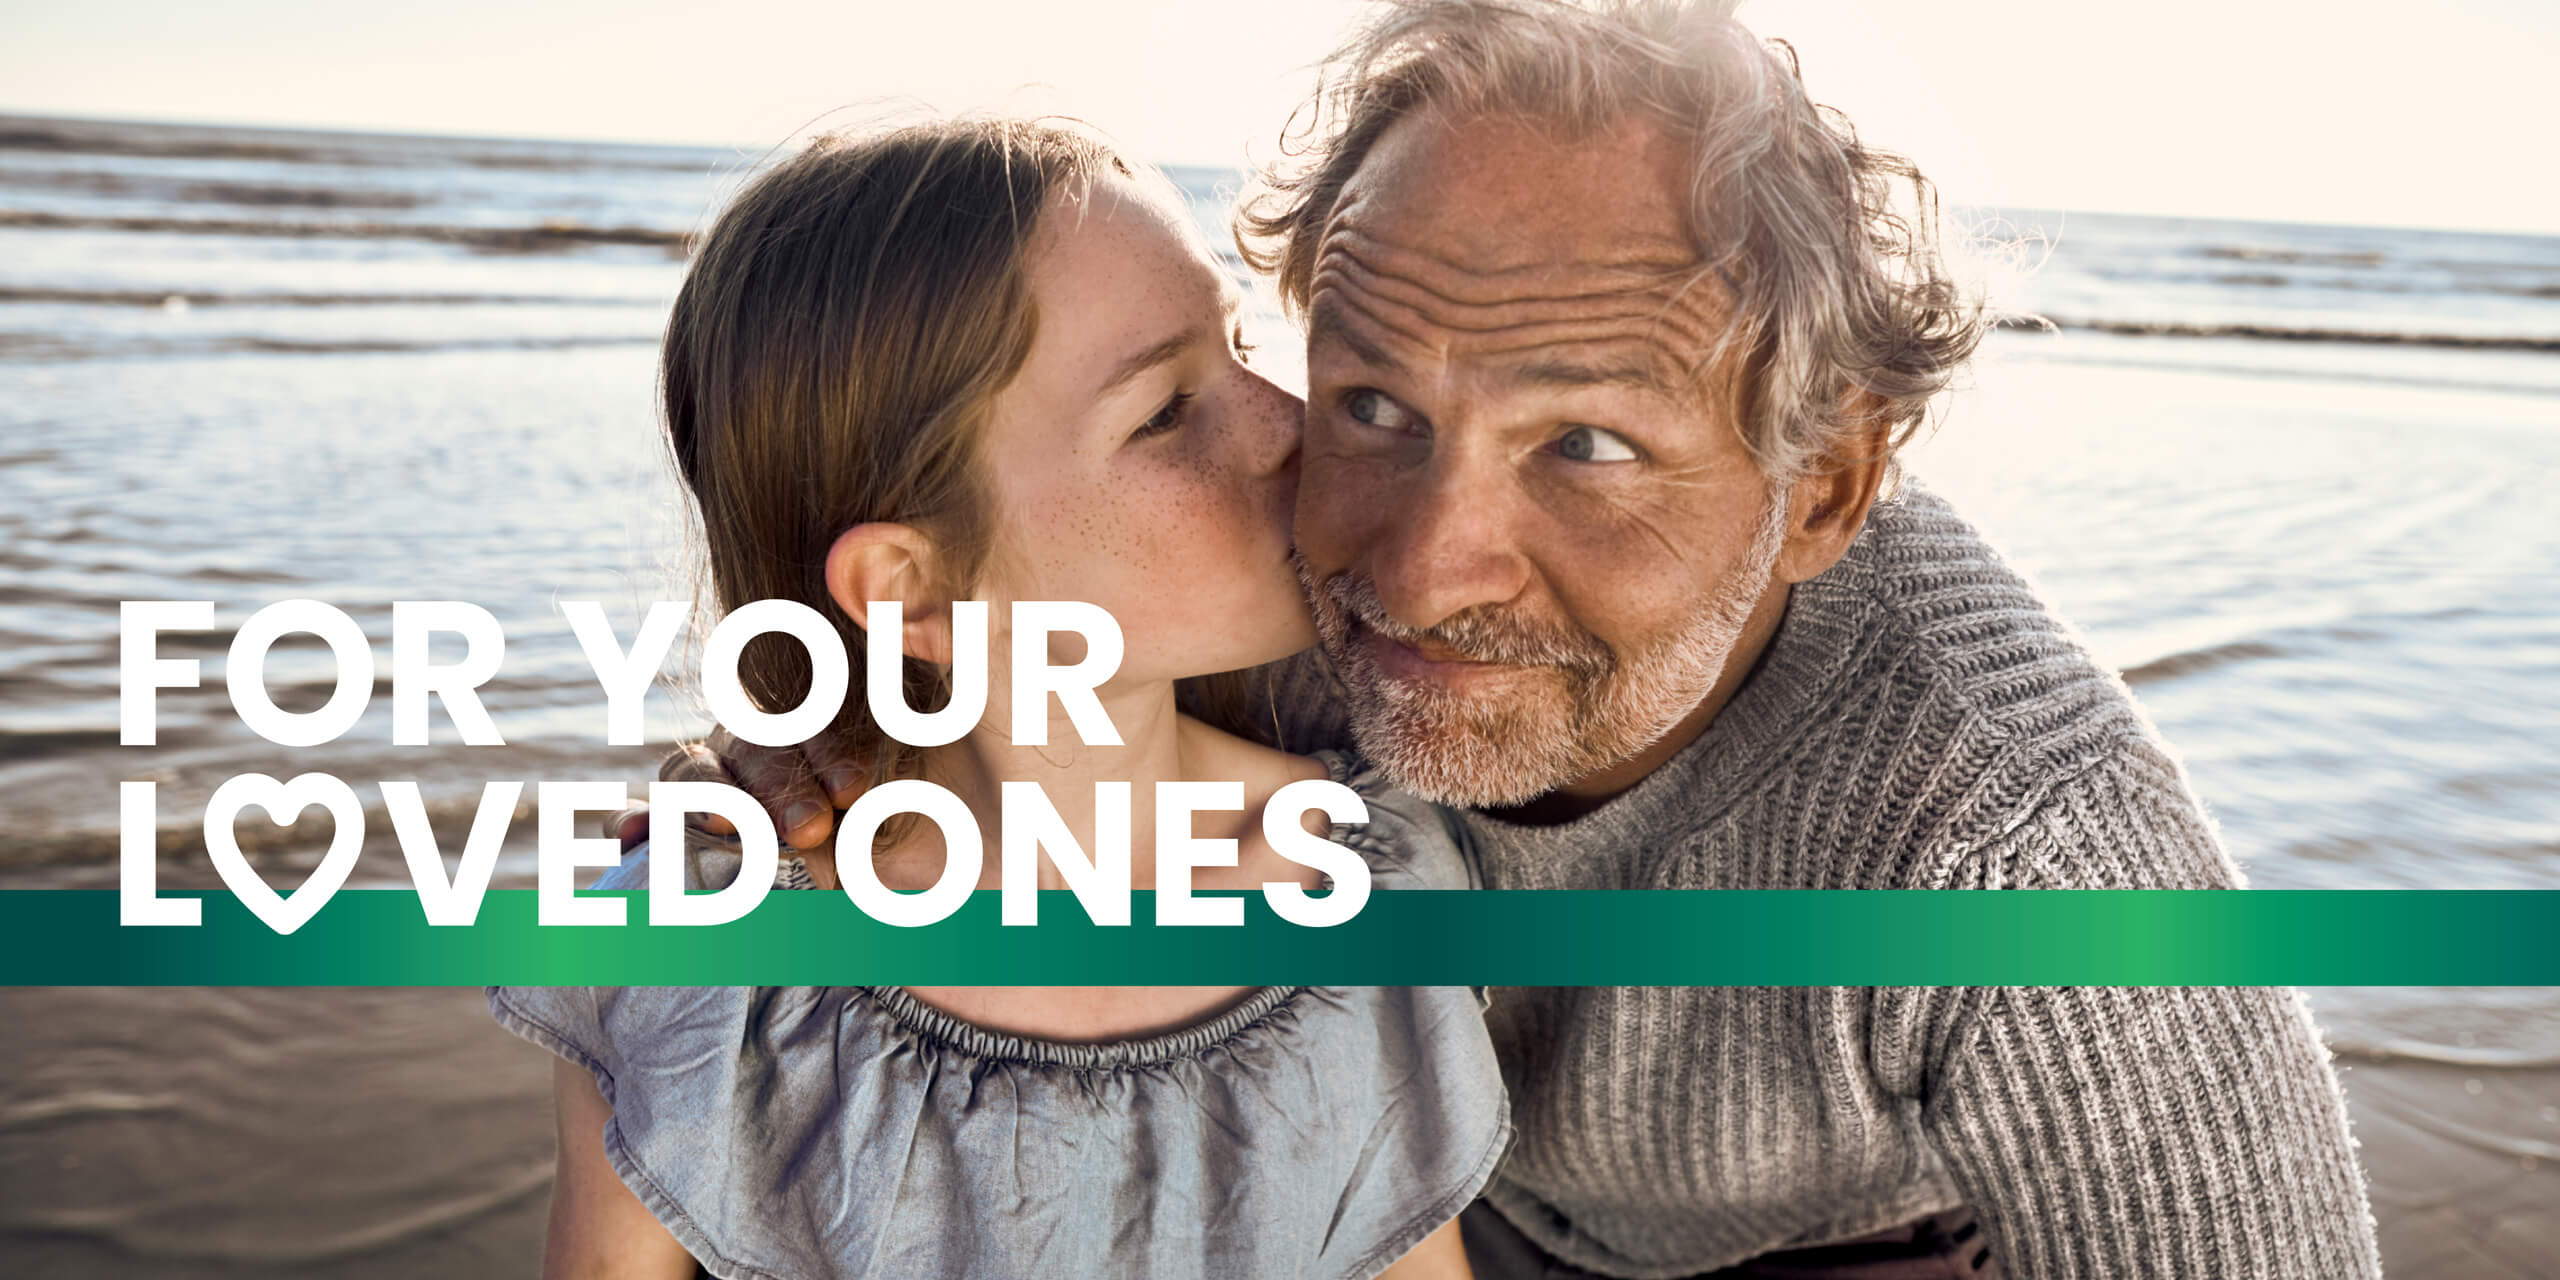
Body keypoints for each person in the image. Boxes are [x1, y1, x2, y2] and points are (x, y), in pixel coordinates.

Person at [664, 3, 2385, 1277]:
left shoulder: (2023, 858)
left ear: (1826, 489)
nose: (1419, 569)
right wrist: (827, 740)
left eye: (1590, 446)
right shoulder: (1266, 571)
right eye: (1371, 402)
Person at [491, 118, 1510, 1279]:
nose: (1287, 420)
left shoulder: (1382, 888)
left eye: (1236, 343)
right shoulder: (696, 959)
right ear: (913, 589)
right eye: (1164, 411)